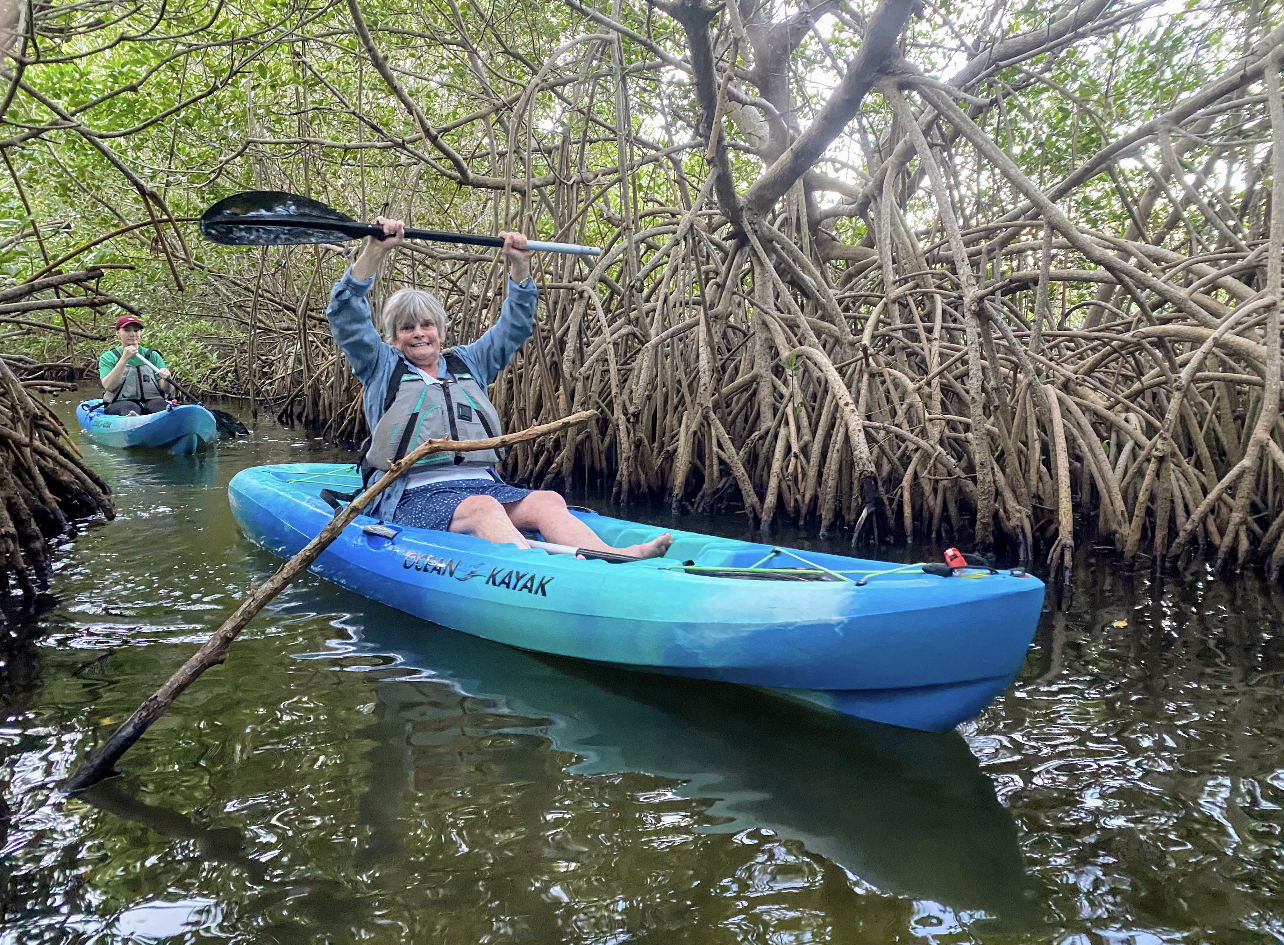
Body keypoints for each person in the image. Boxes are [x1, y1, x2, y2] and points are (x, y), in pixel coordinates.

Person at [325, 217, 672, 558]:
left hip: (484, 486)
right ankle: (541, 574)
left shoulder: (468, 363)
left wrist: (519, 267)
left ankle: (614, 558)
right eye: (406, 328)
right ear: (393, 338)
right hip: (410, 495)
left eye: (427, 325)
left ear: (442, 332)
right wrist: (374, 251)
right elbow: (345, 315)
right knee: (484, 509)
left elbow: (514, 326)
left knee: (547, 501)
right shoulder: (381, 366)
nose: (419, 333)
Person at [99, 314, 176, 415]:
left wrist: (167, 379)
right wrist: (124, 359)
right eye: (127, 330)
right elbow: (108, 386)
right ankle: (132, 419)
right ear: (118, 333)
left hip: (152, 401)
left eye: (136, 330)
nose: (133, 334)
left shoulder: (152, 355)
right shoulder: (108, 357)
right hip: (120, 402)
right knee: (129, 408)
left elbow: (167, 390)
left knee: (159, 406)